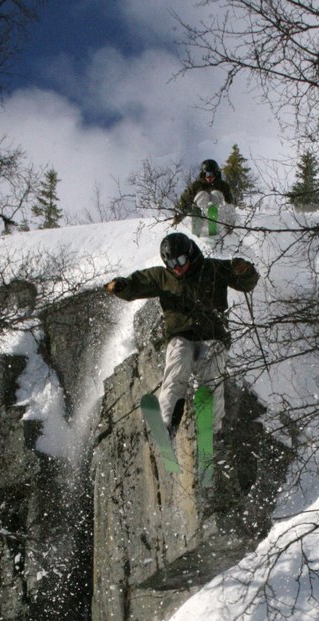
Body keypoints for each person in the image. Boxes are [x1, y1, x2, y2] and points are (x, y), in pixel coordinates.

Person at [105, 233, 259, 436]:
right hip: (181, 335)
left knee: (210, 372)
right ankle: (167, 424)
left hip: (213, 335)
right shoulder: (162, 277)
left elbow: (246, 283)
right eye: (170, 262)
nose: (176, 267)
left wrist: (245, 270)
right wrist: (120, 286)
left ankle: (211, 431)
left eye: (180, 260)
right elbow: (135, 285)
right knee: (177, 365)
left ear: (190, 254)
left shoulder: (212, 268)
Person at [173, 159, 234, 226]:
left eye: (212, 174)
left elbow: (229, 204)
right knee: (203, 194)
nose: (209, 177)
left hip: (218, 219)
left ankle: (213, 221)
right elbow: (184, 200)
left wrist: (230, 223)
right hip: (200, 216)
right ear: (203, 174)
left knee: (216, 193)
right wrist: (178, 217)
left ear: (216, 174)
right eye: (207, 174)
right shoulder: (196, 185)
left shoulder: (223, 186)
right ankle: (199, 222)